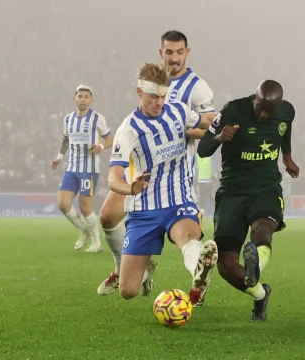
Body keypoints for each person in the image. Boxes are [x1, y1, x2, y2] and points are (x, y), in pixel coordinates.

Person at [97, 31, 216, 307]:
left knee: (187, 238)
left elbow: (208, 123)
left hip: (178, 194)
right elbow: (113, 176)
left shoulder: (179, 106)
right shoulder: (128, 130)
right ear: (140, 92)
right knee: (128, 291)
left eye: (163, 97)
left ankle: (200, 267)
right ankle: (134, 267)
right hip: (143, 200)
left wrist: (229, 129)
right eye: (154, 97)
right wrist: (129, 187)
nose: (160, 102)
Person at [197, 80, 300, 321]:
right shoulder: (231, 111)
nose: (264, 115)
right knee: (226, 265)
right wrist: (220, 137)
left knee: (262, 228)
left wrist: (287, 158)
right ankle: (260, 293)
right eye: (260, 108)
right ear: (254, 97)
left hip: (266, 187)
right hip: (233, 191)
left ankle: (256, 268)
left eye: (269, 111)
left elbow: (284, 131)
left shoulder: (287, 111)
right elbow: (202, 149)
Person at [50, 85, 112, 252]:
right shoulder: (68, 119)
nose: (83, 99)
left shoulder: (97, 118)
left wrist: (100, 146)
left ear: (90, 100)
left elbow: (110, 139)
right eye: (80, 96)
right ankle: (84, 229)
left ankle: (96, 243)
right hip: (71, 168)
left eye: (86, 96)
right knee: (62, 203)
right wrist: (59, 158)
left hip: (89, 169)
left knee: (85, 207)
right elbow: (66, 140)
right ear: (74, 99)